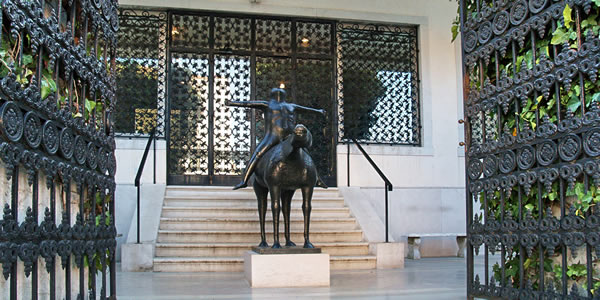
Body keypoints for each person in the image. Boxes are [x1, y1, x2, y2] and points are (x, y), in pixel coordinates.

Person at [226, 88, 327, 190]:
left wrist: (232, 103)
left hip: (281, 136)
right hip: (279, 135)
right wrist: (319, 111)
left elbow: (248, 103)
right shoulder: (287, 105)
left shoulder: (270, 104)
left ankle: (244, 180)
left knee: (257, 154)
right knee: (306, 154)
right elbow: (306, 110)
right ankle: (318, 179)